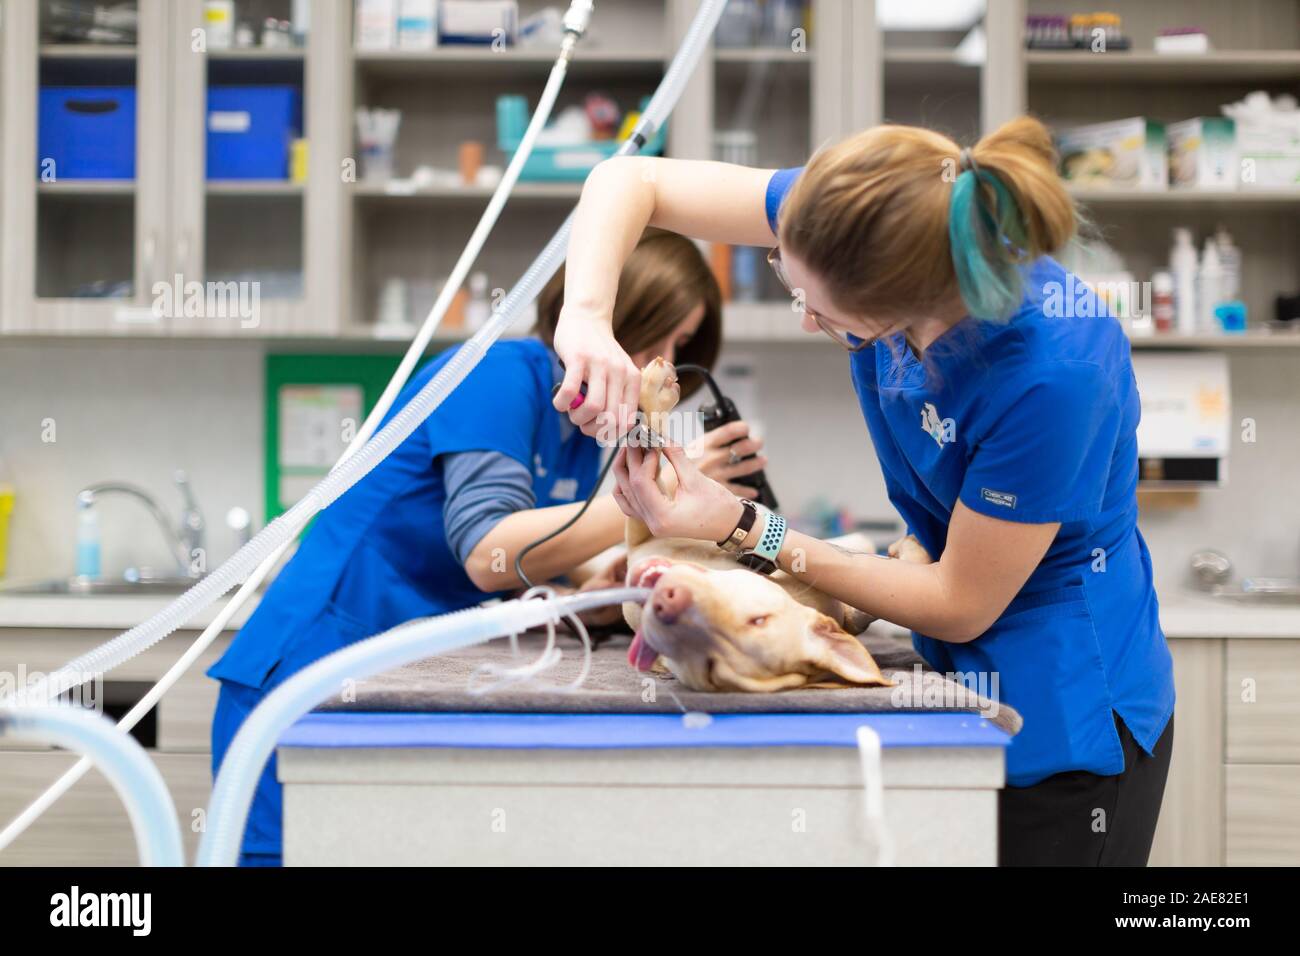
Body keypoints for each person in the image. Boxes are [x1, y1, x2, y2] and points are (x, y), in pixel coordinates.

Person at [550, 118, 1176, 866]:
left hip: (1062, 711)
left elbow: (959, 600)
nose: (806, 316)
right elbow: (630, 179)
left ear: (903, 308)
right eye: (790, 280)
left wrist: (745, 525)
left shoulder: (1051, 372)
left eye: (830, 318)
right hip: (951, 672)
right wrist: (587, 319)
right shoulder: (859, 219)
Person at [208, 230, 767, 866]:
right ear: (609, 316)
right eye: (658, 335)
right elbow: (485, 552)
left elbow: (528, 561)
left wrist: (598, 592)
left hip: (395, 682)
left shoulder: (584, 428)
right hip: (308, 675)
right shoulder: (498, 376)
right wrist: (659, 494)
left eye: (682, 348)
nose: (662, 362)